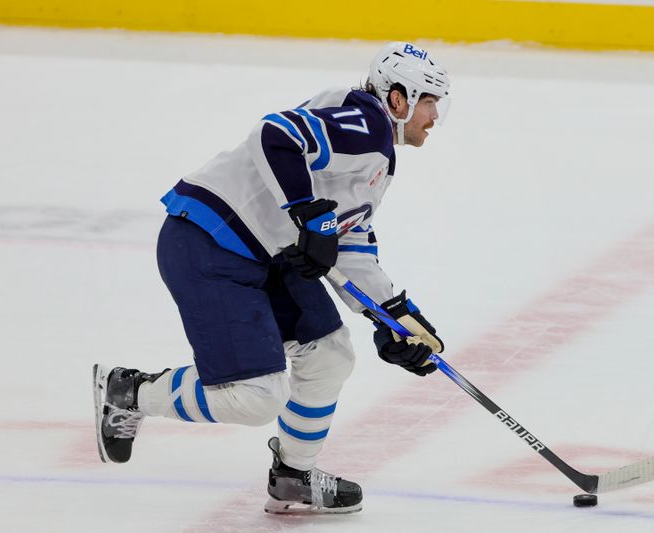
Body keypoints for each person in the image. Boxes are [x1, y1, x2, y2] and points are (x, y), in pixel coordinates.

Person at [92, 41, 450, 515]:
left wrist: (394, 317)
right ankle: (129, 391)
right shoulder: (364, 124)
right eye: (430, 101)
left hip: (264, 254)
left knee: (329, 356)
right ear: (399, 99)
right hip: (208, 243)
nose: (435, 116)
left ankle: (294, 476)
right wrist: (309, 213)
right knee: (256, 398)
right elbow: (275, 135)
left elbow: (347, 240)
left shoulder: (373, 146)